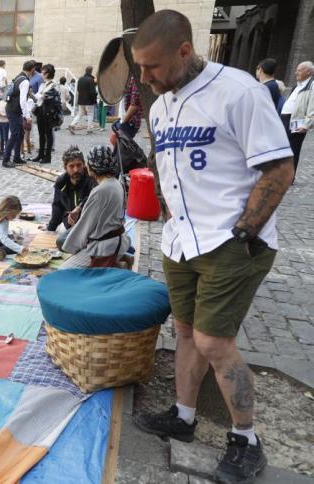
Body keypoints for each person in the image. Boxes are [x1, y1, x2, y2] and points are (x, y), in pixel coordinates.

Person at [131, 10, 295, 484]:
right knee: (185, 332)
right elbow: (163, 159)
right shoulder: (161, 104)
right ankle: (183, 417)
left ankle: (247, 439)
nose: (145, 77)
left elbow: (280, 169)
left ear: (185, 51)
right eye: (140, 67)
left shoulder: (240, 92)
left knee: (213, 341)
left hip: (232, 240)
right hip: (180, 240)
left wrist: (245, 233)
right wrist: (164, 207)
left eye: (153, 66)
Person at [59, 146, 131, 268]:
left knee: (63, 271)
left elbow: (85, 225)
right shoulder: (117, 183)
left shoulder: (100, 190)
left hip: (105, 246)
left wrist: (71, 248)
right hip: (118, 240)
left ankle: (116, 264)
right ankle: (117, 260)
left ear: (91, 167)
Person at [43, 147, 97, 249]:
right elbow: (57, 207)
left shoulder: (91, 179)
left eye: (78, 165)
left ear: (84, 164)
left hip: (89, 223)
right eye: (71, 166)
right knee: (60, 240)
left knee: (65, 242)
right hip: (70, 223)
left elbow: (95, 196)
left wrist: (80, 207)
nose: (76, 170)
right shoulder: (61, 183)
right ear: (65, 167)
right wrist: (50, 229)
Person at [280, 61, 314, 177]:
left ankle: (289, 177)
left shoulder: (312, 86)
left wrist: (306, 124)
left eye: (299, 70)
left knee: (293, 149)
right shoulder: (298, 85)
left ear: (308, 72)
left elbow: (312, 107)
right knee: (283, 147)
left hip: (296, 122)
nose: (296, 73)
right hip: (286, 119)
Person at [2, 61, 36, 168]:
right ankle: (6, 160)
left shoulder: (18, 77)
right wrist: (27, 116)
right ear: (32, 69)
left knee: (20, 133)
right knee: (15, 134)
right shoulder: (25, 81)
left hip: (12, 109)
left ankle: (17, 157)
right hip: (14, 110)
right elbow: (22, 101)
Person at [33, 63, 59, 164]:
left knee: (48, 134)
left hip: (48, 112)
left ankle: (47, 156)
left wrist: (39, 95)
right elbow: (38, 97)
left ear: (47, 74)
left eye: (43, 72)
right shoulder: (43, 84)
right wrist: (38, 95)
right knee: (41, 134)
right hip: (41, 111)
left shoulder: (53, 85)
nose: (41, 74)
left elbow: (43, 96)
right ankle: (41, 154)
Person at [69, 66, 97, 134]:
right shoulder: (91, 80)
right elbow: (92, 92)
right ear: (91, 71)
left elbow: (78, 89)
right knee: (90, 114)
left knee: (80, 114)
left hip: (81, 100)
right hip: (89, 101)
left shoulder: (80, 79)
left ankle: (72, 124)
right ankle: (89, 129)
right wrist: (95, 97)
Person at [117, 75, 143, 139]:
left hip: (131, 120)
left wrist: (123, 123)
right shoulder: (131, 78)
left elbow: (134, 105)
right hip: (126, 118)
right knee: (118, 141)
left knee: (119, 141)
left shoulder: (136, 79)